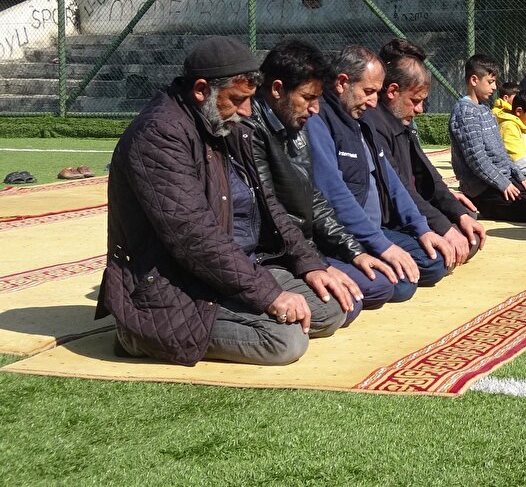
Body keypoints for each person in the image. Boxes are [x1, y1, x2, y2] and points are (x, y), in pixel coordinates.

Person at [99, 36, 349, 366]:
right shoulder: (158, 135)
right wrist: (269, 295)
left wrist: (311, 264)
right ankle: (138, 334)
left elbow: (268, 205)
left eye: (249, 99)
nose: (248, 111)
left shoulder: (226, 125)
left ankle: (243, 310)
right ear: (202, 90)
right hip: (170, 284)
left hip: (223, 273)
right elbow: (194, 236)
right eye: (238, 100)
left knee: (331, 307)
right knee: (284, 341)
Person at [246, 40, 392, 327]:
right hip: (275, 254)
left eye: (318, 99)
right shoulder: (250, 130)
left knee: (381, 284)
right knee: (342, 307)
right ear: (277, 89)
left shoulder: (294, 128)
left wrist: (355, 251)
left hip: (303, 248)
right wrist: (315, 265)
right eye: (308, 98)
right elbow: (272, 212)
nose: (315, 110)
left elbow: (315, 198)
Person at [306, 46, 453, 303]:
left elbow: (393, 181)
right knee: (398, 285)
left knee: (433, 262)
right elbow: (335, 195)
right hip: (346, 238)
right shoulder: (319, 120)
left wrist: (422, 228)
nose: (374, 102)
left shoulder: (361, 119)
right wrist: (380, 245)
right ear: (342, 83)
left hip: (375, 231)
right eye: (369, 92)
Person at [365, 39, 488, 266]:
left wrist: (453, 208)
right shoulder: (373, 123)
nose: (420, 109)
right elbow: (398, 190)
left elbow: (426, 174)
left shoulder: (402, 121)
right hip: (395, 216)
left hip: (415, 207)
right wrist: (438, 227)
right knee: (434, 260)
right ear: (392, 87)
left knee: (467, 220)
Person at [450, 53, 526, 222]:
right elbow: (477, 159)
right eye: (490, 82)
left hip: (501, 178)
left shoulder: (485, 111)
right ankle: (474, 204)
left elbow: (502, 154)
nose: (494, 87)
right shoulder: (465, 113)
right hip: (481, 186)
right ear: (474, 80)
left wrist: (519, 177)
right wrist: (504, 184)